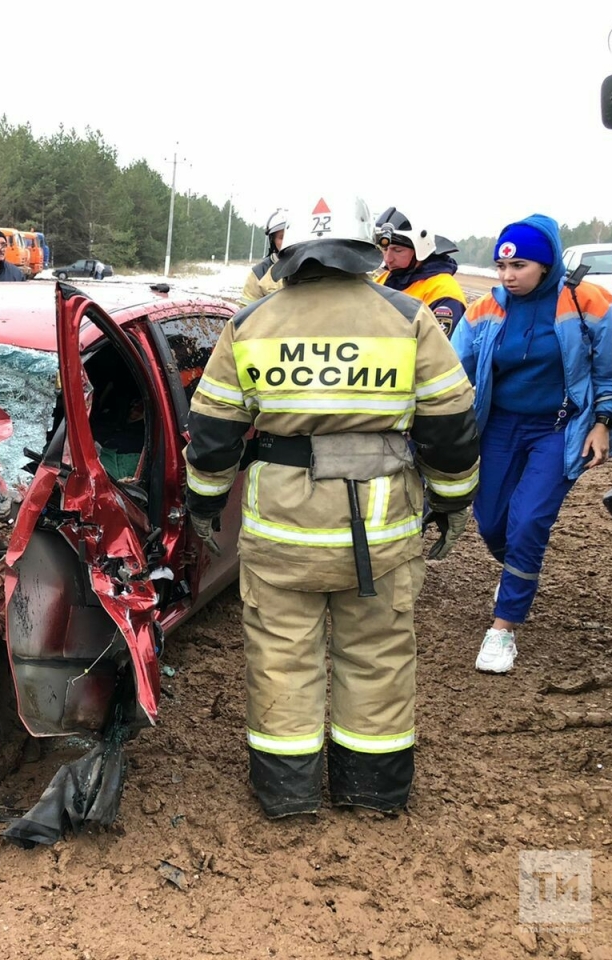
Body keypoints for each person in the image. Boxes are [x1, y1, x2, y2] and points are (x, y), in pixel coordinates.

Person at [184, 193, 479, 818]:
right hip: (382, 528)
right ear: (366, 249)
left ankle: (286, 794)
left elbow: (212, 435)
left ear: (290, 250)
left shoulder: (251, 324)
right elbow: (450, 426)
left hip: (282, 527)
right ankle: (372, 790)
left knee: (282, 657)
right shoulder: (408, 318)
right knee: (377, 655)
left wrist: (204, 506)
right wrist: (452, 503)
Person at [451, 215, 612, 674]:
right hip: (499, 425)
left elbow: (610, 370)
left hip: (559, 428)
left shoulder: (588, 302)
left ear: (545, 265)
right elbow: (453, 365)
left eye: (519, 266)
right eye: (502, 267)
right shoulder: (487, 306)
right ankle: (517, 575)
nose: (508, 277)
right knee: (490, 524)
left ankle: (502, 628)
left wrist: (603, 421)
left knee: (528, 521)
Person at [373, 207, 468, 338]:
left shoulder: (443, 293)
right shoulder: (382, 281)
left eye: (397, 250)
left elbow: (439, 353)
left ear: (421, 248)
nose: (388, 258)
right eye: (384, 249)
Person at [240, 209, 289, 306]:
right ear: (272, 240)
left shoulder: (313, 266)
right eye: (281, 237)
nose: (287, 241)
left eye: (290, 235)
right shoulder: (259, 273)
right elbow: (246, 313)